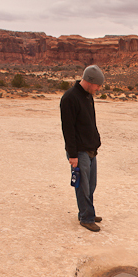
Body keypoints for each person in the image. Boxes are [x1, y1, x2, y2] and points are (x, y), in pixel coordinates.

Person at [60, 65, 105, 232]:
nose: (98, 89)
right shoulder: (70, 98)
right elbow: (68, 129)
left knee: (91, 185)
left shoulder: (87, 96)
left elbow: (90, 122)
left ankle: (87, 212)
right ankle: (86, 218)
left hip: (91, 149)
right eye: (98, 85)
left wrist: (96, 141)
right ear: (90, 81)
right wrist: (72, 155)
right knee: (83, 186)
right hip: (79, 151)